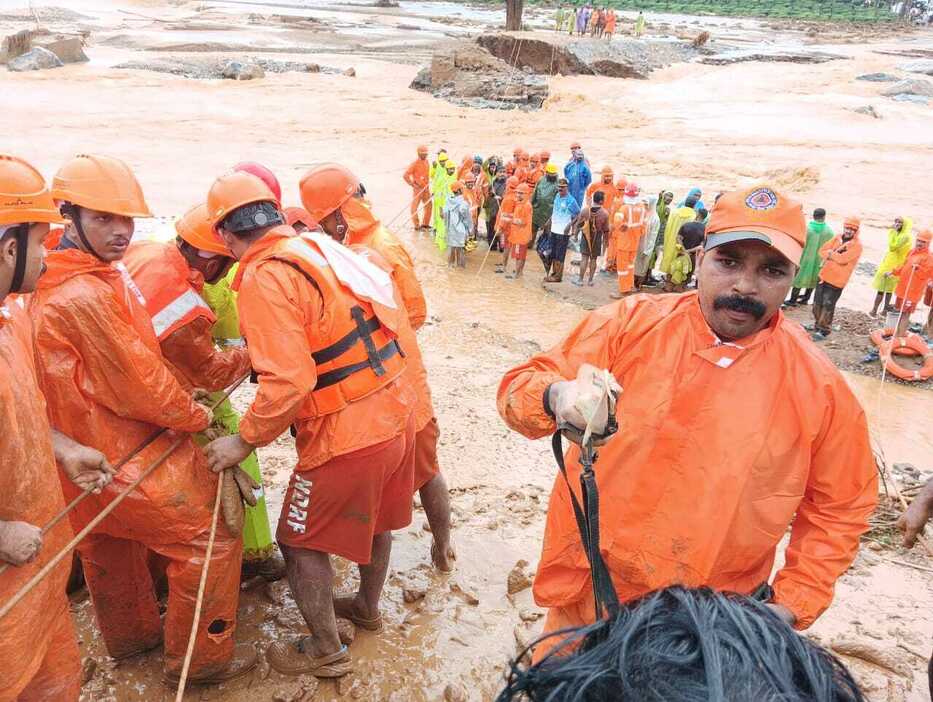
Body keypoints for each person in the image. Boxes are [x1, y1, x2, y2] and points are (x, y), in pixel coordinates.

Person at [497, 184, 877, 658]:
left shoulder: (821, 388)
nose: (744, 286)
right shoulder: (627, 325)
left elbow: (841, 508)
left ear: (794, 278)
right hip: (588, 590)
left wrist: (787, 606)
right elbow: (518, 391)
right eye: (729, 262)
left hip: (707, 624)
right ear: (700, 260)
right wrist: (556, 395)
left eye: (771, 270)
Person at [29, 154, 253, 685]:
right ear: (67, 216)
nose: (120, 231)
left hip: (71, 458)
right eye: (104, 218)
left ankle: (131, 641)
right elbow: (140, 383)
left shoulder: (50, 280)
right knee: (212, 541)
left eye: (126, 218)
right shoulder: (84, 293)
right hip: (123, 449)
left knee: (107, 543)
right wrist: (196, 413)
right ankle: (200, 665)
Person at [203, 170, 416, 678]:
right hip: (397, 408)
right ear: (276, 215)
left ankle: (326, 650)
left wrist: (243, 439)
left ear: (226, 237)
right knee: (380, 517)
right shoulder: (320, 247)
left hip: (347, 434)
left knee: (298, 541)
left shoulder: (260, 274)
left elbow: (290, 384)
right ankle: (366, 606)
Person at [299, 163, 454, 572]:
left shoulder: (378, 246)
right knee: (416, 473)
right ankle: (438, 547)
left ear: (335, 214)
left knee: (426, 472)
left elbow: (415, 313)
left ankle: (442, 545)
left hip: (399, 385)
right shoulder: (355, 244)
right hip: (394, 384)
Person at [0, 154, 115, 702]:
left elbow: (22, 418)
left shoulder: (10, 318)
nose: (49, 257)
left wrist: (64, 448)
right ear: (8, 248)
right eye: (42, 243)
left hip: (39, 572)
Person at [121, 203, 286, 581]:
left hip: (130, 388)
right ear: (212, 260)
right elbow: (209, 371)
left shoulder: (146, 251)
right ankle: (250, 558)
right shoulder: (185, 303)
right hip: (166, 395)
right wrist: (258, 351)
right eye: (229, 262)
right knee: (221, 461)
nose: (230, 270)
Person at [497, 586, 867, 702]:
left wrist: (785, 606)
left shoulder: (821, 400)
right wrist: (548, 399)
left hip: (726, 627)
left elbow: (839, 505)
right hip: (592, 611)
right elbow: (521, 405)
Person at [811, 218, 862, 341]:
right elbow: (821, 251)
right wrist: (833, 255)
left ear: (856, 231)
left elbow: (843, 259)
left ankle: (824, 330)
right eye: (847, 228)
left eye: (851, 229)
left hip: (837, 281)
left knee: (828, 305)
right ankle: (817, 325)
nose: (848, 231)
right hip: (824, 276)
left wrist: (830, 254)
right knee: (817, 303)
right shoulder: (837, 238)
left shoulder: (857, 246)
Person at [886, 230, 933, 339]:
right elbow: (903, 266)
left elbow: (927, 274)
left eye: (923, 242)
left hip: (912, 292)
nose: (920, 243)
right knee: (900, 312)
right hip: (902, 288)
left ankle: (899, 336)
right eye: (918, 240)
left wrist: (918, 268)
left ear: (928, 243)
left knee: (906, 314)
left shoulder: (929, 257)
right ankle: (897, 334)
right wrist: (893, 272)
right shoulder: (912, 252)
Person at [785, 208, 833, 307]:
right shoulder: (829, 232)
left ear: (813, 216)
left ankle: (793, 300)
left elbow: (799, 244)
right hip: (819, 260)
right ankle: (805, 299)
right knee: (814, 278)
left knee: (799, 278)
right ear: (824, 217)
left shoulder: (807, 229)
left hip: (805, 258)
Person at [870, 216, 913, 318]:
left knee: (888, 289)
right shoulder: (899, 234)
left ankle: (880, 311)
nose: (897, 224)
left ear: (905, 224)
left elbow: (892, 247)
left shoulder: (905, 236)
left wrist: (892, 232)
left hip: (895, 264)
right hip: (889, 262)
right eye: (896, 221)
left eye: (900, 222)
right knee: (882, 287)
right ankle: (876, 310)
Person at [611, 183, 647, 298]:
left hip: (624, 243)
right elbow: (644, 227)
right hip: (634, 243)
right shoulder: (642, 207)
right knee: (631, 266)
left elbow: (617, 222)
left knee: (622, 268)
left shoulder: (624, 208)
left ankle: (623, 290)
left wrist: (622, 226)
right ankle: (630, 286)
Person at [544, 177, 581, 283]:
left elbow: (579, 214)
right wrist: (549, 221)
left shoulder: (571, 200)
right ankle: (554, 273)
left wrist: (571, 225)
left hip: (563, 232)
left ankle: (558, 276)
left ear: (567, 188)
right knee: (553, 252)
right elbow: (555, 211)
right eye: (559, 187)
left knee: (560, 253)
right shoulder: (557, 196)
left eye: (562, 188)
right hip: (554, 229)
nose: (560, 189)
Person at [572, 190, 609, 287]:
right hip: (597, 238)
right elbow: (606, 230)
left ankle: (580, 280)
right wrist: (606, 243)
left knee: (584, 258)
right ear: (601, 201)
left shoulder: (585, 210)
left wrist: (575, 236)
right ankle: (590, 281)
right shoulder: (605, 214)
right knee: (593, 259)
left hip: (585, 237)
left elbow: (578, 224)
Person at [659, 194, 698, 276]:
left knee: (670, 257)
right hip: (683, 242)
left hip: (671, 239)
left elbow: (668, 227)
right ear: (694, 205)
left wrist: (667, 239)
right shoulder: (694, 215)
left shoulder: (675, 212)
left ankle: (668, 278)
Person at [506, 183, 534, 280]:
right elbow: (518, 217)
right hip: (522, 235)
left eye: (521, 193)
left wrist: (509, 220)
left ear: (526, 194)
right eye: (517, 193)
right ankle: (520, 273)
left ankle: (517, 275)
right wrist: (509, 216)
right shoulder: (522, 204)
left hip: (520, 236)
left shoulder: (525, 206)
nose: (518, 195)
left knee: (519, 256)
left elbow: (522, 222)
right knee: (521, 255)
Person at [634, 193, 661, 288]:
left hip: (646, 247)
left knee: (642, 268)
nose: (645, 206)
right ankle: (632, 284)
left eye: (647, 204)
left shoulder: (655, 218)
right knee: (635, 266)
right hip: (637, 244)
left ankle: (638, 285)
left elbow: (653, 236)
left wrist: (648, 250)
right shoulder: (642, 214)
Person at [532, 163, 559, 253]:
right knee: (532, 231)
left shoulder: (559, 184)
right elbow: (535, 193)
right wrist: (531, 205)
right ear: (546, 173)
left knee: (548, 234)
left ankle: (545, 250)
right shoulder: (541, 180)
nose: (552, 176)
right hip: (537, 210)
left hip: (550, 213)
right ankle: (529, 248)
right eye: (550, 174)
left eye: (553, 174)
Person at [403, 145, 432, 231]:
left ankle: (425, 224)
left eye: (426, 154)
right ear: (419, 154)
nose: (425, 155)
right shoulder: (414, 163)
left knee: (429, 206)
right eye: (423, 154)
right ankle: (416, 225)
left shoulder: (427, 161)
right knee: (414, 208)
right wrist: (412, 184)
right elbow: (405, 175)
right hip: (418, 189)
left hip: (426, 188)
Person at [496, 175, 521, 274]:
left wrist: (500, 227)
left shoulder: (509, 198)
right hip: (513, 226)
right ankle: (505, 264)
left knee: (506, 246)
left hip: (506, 227)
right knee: (508, 246)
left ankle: (504, 266)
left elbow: (504, 216)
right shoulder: (516, 196)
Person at [444, 181, 471, 269]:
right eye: (462, 189)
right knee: (460, 250)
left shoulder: (447, 201)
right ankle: (461, 270)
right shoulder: (463, 203)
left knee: (451, 249)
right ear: (459, 190)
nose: (463, 190)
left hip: (449, 229)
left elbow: (444, 215)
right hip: (460, 230)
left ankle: (450, 267)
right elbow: (467, 219)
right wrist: (470, 230)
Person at [677, 206, 707, 286]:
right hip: (693, 256)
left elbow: (679, 238)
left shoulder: (686, 225)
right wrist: (689, 251)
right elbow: (701, 245)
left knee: (677, 272)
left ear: (697, 215)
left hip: (681, 253)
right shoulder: (704, 229)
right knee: (687, 276)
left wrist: (684, 250)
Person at [564, 142, 592, 210]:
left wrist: (583, 186)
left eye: (576, 148)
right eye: (573, 149)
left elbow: (588, 177)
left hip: (580, 188)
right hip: (571, 186)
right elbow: (566, 171)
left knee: (578, 206)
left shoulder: (585, 160)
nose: (574, 150)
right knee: (570, 205)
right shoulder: (571, 160)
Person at [487, 169, 507, 251]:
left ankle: (502, 246)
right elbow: (488, 193)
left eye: (503, 172)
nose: (502, 174)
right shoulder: (492, 183)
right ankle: (492, 245)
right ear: (497, 173)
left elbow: (509, 194)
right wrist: (491, 193)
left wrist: (502, 197)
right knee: (492, 227)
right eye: (500, 172)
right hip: (493, 209)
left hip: (503, 210)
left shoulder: (507, 183)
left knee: (502, 229)